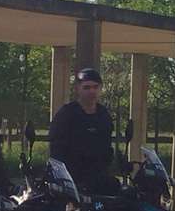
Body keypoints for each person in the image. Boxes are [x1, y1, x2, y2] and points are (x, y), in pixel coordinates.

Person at [48, 66, 121, 195]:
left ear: (100, 88)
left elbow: (107, 148)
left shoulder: (103, 115)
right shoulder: (67, 114)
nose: (92, 91)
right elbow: (57, 150)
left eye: (95, 87)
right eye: (86, 87)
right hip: (73, 178)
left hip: (98, 177)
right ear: (77, 89)